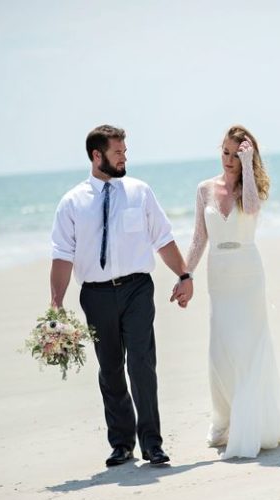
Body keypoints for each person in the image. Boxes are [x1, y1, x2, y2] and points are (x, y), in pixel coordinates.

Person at [50, 125, 193, 467]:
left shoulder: (140, 192)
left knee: (142, 364)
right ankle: (122, 444)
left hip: (137, 290)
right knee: (111, 369)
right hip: (96, 295)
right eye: (117, 152)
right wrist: (55, 307)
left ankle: (152, 443)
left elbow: (163, 238)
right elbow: (62, 255)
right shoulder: (72, 202)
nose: (124, 157)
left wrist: (184, 275)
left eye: (125, 151)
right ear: (97, 156)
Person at [181, 124, 280, 459]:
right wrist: (184, 273)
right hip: (218, 274)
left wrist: (248, 168)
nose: (229, 160)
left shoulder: (254, 186)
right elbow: (198, 238)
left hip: (248, 273)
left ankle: (253, 422)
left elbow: (249, 209)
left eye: (237, 154)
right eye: (226, 152)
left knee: (249, 345)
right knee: (221, 349)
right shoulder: (204, 189)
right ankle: (225, 421)